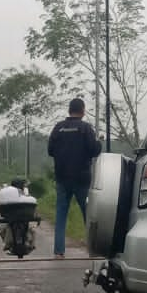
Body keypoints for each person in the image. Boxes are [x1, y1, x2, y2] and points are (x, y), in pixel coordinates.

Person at [47, 98, 101, 258]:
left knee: (61, 214)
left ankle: (59, 251)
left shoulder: (58, 128)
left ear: (69, 110)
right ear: (82, 110)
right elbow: (94, 150)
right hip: (82, 178)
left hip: (62, 178)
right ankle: (93, 249)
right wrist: (99, 143)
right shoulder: (85, 128)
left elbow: (50, 150)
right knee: (88, 214)